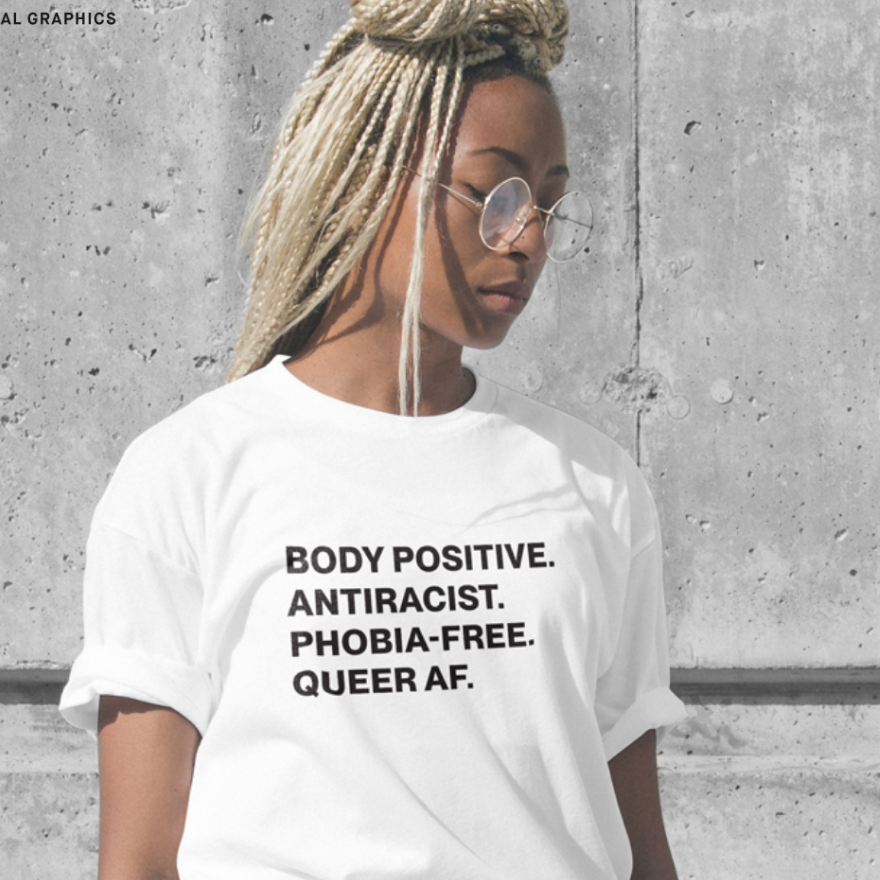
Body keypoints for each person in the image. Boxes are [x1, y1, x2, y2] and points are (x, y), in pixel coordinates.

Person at [60, 1, 688, 878]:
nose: (530, 237)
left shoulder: (594, 482)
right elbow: (136, 863)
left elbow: (640, 846)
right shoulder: (188, 474)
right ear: (369, 173)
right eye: (499, 192)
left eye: (549, 203)